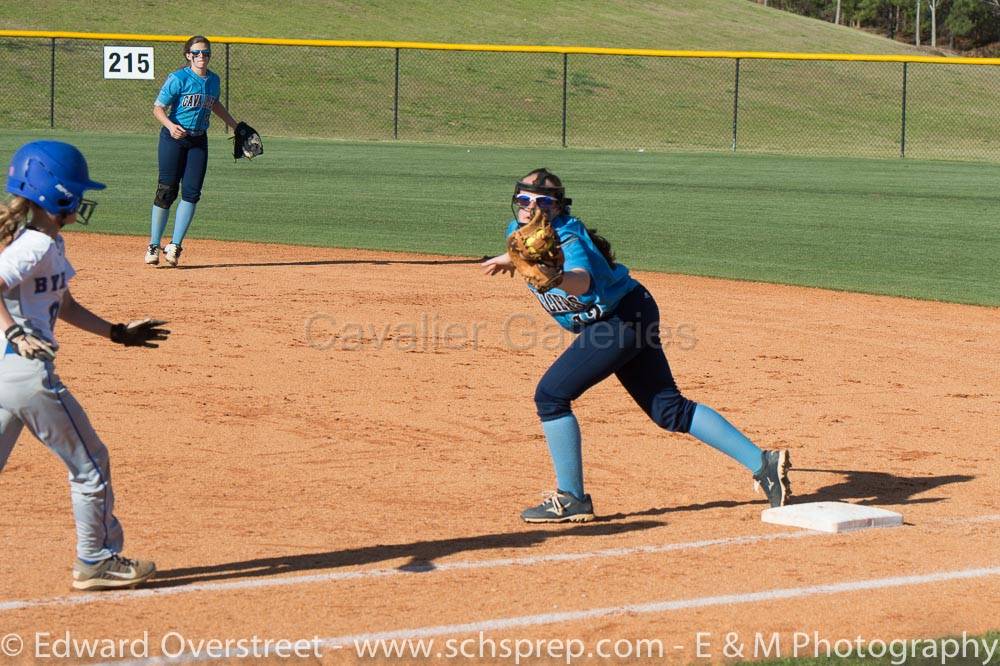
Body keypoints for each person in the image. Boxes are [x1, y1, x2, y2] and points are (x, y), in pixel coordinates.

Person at [482, 168, 791, 523]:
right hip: (632, 309)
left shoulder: (567, 239)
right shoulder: (517, 233)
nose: (531, 207)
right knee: (668, 410)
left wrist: (557, 277)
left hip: (620, 321)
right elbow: (522, 249)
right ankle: (764, 464)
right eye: (524, 200)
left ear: (558, 206)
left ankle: (572, 498)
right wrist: (510, 259)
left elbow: (582, 282)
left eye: (543, 201)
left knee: (551, 395)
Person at [1, 140, 170, 589]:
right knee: (91, 464)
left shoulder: (45, 242)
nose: (81, 198)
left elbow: (66, 305)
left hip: (6, 377)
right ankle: (96, 559)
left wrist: (115, 332)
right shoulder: (34, 244)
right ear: (56, 193)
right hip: (28, 375)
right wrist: (16, 332)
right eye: (75, 190)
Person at [145, 35, 239, 267]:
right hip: (173, 139)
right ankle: (154, 245)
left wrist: (236, 126)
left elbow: (214, 103)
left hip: (198, 140)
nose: (201, 57)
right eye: (196, 53)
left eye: (205, 53)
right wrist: (169, 125)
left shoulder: (213, 80)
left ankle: (175, 246)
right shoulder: (178, 78)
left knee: (192, 192)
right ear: (188, 55)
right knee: (166, 191)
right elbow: (158, 108)